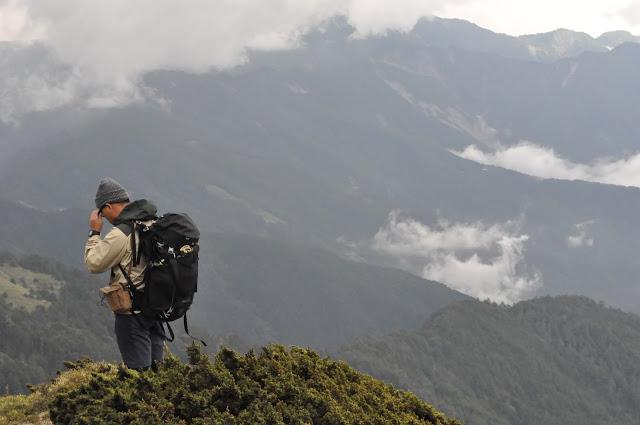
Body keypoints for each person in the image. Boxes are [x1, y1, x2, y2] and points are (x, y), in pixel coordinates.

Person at [84, 177, 165, 371]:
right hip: (155, 308)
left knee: (138, 376)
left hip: (132, 314)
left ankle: (142, 400)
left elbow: (94, 263)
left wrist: (94, 232)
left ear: (109, 206)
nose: (104, 217)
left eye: (102, 212)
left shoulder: (121, 233)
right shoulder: (152, 223)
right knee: (157, 372)